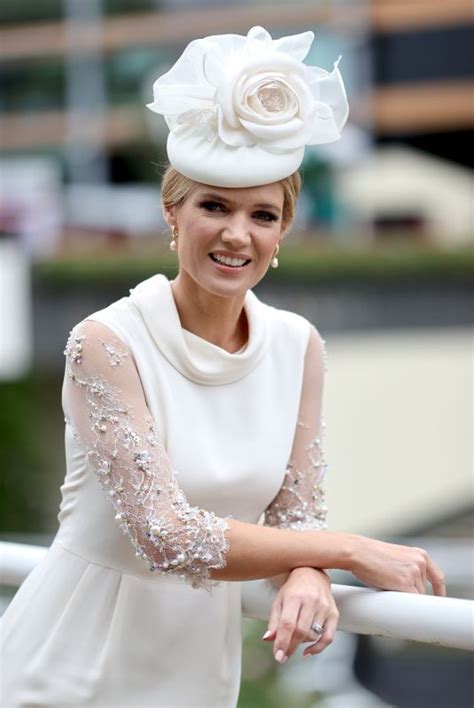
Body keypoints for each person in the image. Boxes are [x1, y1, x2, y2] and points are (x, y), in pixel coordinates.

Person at [1, 25, 445, 708]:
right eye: (214, 206)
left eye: (262, 214)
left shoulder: (298, 345)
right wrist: (349, 552)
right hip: (67, 673)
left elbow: (295, 513)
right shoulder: (106, 342)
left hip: (196, 678)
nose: (238, 234)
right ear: (172, 212)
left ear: (282, 231)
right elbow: (165, 534)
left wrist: (307, 569)